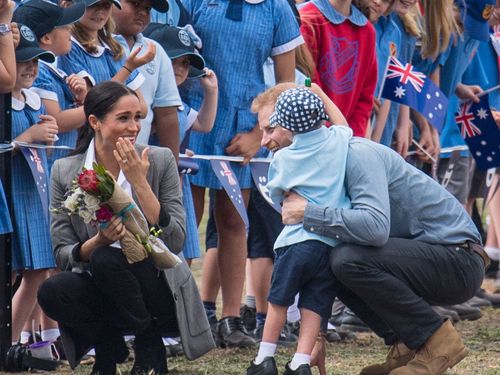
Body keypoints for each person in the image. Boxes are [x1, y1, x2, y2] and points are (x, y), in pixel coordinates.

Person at [37, 81, 215, 375]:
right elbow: (62, 253)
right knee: (54, 290)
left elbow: (176, 241)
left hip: (156, 284)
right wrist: (98, 241)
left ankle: (149, 341)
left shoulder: (159, 159)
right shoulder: (66, 170)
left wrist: (140, 183)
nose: (134, 127)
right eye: (124, 118)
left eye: (138, 118)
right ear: (94, 122)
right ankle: (107, 345)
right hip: (100, 281)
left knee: (109, 259)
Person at [275, 132, 488, 375]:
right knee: (335, 260)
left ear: (298, 125)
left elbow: (375, 229)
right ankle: (407, 343)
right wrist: (318, 337)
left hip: (459, 260)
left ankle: (438, 342)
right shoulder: (327, 166)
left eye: (270, 129)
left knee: (346, 259)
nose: (263, 141)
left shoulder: (357, 154)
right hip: (437, 258)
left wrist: (310, 213)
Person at [182, 0, 303, 348]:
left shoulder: (276, 9)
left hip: (243, 126)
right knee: (188, 220)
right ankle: (184, 314)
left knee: (234, 223)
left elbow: (286, 88)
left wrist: (257, 136)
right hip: (194, 118)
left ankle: (231, 318)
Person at [247, 85, 352, 375]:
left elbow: (280, 194)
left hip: (296, 242)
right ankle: (301, 360)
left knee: (279, 301)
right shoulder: (338, 142)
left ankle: (264, 358)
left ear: (287, 125)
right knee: (314, 306)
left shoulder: (282, 158)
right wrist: (322, 96)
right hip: (330, 244)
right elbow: (343, 124)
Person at [144, 23, 218, 266]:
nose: (179, 68)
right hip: (150, 182)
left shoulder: (177, 104)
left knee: (181, 259)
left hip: (176, 185)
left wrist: (212, 92)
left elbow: (204, 124)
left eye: (185, 63)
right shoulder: (146, 98)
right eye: (173, 60)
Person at [10, 24, 57, 348]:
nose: (31, 67)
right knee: (10, 274)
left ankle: (9, 343)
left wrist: (48, 136)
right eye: (23, 59)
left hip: (34, 196)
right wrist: (26, 139)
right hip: (9, 195)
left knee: (38, 271)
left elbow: (44, 153)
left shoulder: (34, 99)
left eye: (36, 61)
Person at [13, 0, 88, 168]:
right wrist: (94, 107)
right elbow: (59, 120)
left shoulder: (50, 70)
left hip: (50, 176)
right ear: (46, 37)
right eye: (66, 27)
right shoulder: (40, 75)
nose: (71, 32)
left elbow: (47, 147)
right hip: (43, 174)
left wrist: (81, 100)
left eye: (35, 61)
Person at [112, 0, 183, 159]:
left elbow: (166, 114)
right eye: (135, 4)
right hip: (95, 157)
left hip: (137, 160)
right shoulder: (96, 43)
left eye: (147, 8)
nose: (143, 12)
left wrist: (171, 166)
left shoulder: (155, 51)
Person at [299, 0, 377, 137]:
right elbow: (308, 85)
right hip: (313, 137)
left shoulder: (367, 31)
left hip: (347, 139)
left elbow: (364, 98)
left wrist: (352, 140)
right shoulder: (307, 18)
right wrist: (328, 139)